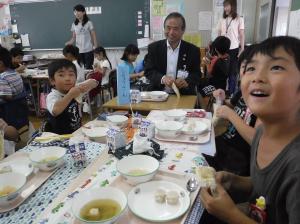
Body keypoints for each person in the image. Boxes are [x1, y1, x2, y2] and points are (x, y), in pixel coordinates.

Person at [200, 36, 300, 224]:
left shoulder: (296, 166)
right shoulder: (262, 135)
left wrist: (231, 215)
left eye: (276, 67)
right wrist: (234, 181)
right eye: (251, 68)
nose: (257, 77)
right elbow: (266, 188)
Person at [203, 44, 259, 180]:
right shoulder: (243, 90)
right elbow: (232, 106)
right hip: (225, 142)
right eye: (246, 69)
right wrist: (222, 98)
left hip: (240, 157)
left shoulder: (264, 101)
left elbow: (257, 140)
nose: (253, 75)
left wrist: (230, 115)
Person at [145, 12, 200, 95]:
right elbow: (149, 71)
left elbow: (197, 74)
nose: (171, 32)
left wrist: (186, 81)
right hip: (158, 94)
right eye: (168, 28)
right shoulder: (154, 48)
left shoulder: (193, 50)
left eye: (175, 29)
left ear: (183, 30)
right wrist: (163, 78)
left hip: (183, 95)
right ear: (164, 28)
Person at [46, 59, 97, 134]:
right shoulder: (52, 96)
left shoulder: (76, 90)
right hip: (60, 138)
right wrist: (70, 95)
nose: (67, 78)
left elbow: (94, 83)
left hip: (76, 132)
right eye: (61, 75)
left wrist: (89, 83)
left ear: (76, 78)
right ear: (52, 81)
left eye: (71, 74)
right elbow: (55, 111)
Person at [218, 0, 245, 96]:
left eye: (227, 6)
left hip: (233, 49)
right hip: (222, 50)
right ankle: (221, 93)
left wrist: (242, 49)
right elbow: (219, 34)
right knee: (222, 73)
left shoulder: (239, 19)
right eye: (224, 6)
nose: (225, 8)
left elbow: (241, 35)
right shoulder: (222, 19)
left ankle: (231, 94)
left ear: (232, 6)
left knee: (232, 74)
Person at [66, 4, 97, 69]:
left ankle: (89, 79)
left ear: (84, 12)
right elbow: (73, 37)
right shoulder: (74, 24)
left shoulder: (89, 23)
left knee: (88, 68)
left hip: (88, 49)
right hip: (78, 51)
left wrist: (95, 47)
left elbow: (93, 36)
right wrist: (69, 42)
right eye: (75, 12)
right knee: (80, 68)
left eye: (78, 11)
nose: (76, 13)